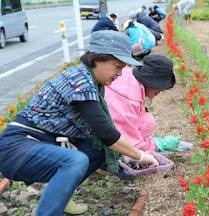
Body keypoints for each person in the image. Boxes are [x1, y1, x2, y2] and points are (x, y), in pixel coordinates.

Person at [0, 30, 158, 215]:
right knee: (76, 161)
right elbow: (107, 132)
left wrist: (128, 156)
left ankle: (61, 197)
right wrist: (139, 155)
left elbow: (103, 137)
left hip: (41, 142)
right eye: (117, 66)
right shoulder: (80, 82)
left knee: (98, 149)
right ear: (97, 59)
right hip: (17, 148)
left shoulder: (91, 82)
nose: (120, 74)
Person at [105, 54, 186, 153]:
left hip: (107, 125)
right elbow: (129, 141)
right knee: (146, 123)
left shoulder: (127, 74)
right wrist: (157, 145)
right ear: (151, 82)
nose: (161, 90)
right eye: (160, 87)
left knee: (147, 120)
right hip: (104, 139)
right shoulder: (129, 100)